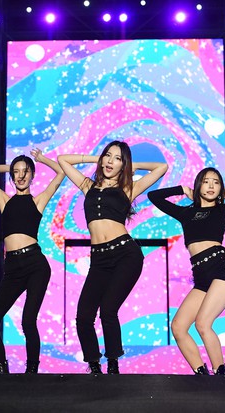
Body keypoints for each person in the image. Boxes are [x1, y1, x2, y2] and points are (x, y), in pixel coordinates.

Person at [58, 140, 167, 374]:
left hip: (125, 254)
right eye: (107, 156)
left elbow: (162, 167)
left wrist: (131, 165)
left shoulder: (128, 189)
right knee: (83, 316)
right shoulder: (87, 186)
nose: (110, 161)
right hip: (99, 259)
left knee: (108, 309)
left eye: (117, 158)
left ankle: (113, 364)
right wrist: (95, 158)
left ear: (123, 165)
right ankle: (94, 365)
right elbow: (62, 160)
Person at [148, 169, 225, 376]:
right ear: (198, 185)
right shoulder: (186, 213)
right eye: (206, 181)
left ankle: (220, 375)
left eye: (216, 182)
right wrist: (182, 190)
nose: (211, 186)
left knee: (203, 323)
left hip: (224, 269)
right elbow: (153, 196)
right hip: (201, 276)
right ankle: (202, 375)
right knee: (178, 326)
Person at [0, 148, 65, 374]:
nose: (21, 176)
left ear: (33, 175)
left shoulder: (38, 201)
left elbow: (61, 172)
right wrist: (12, 166)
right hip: (13, 268)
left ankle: (31, 373)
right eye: (16, 172)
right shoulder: (4, 200)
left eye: (26, 171)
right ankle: (2, 371)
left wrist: (41, 159)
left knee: (28, 321)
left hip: (35, 264)